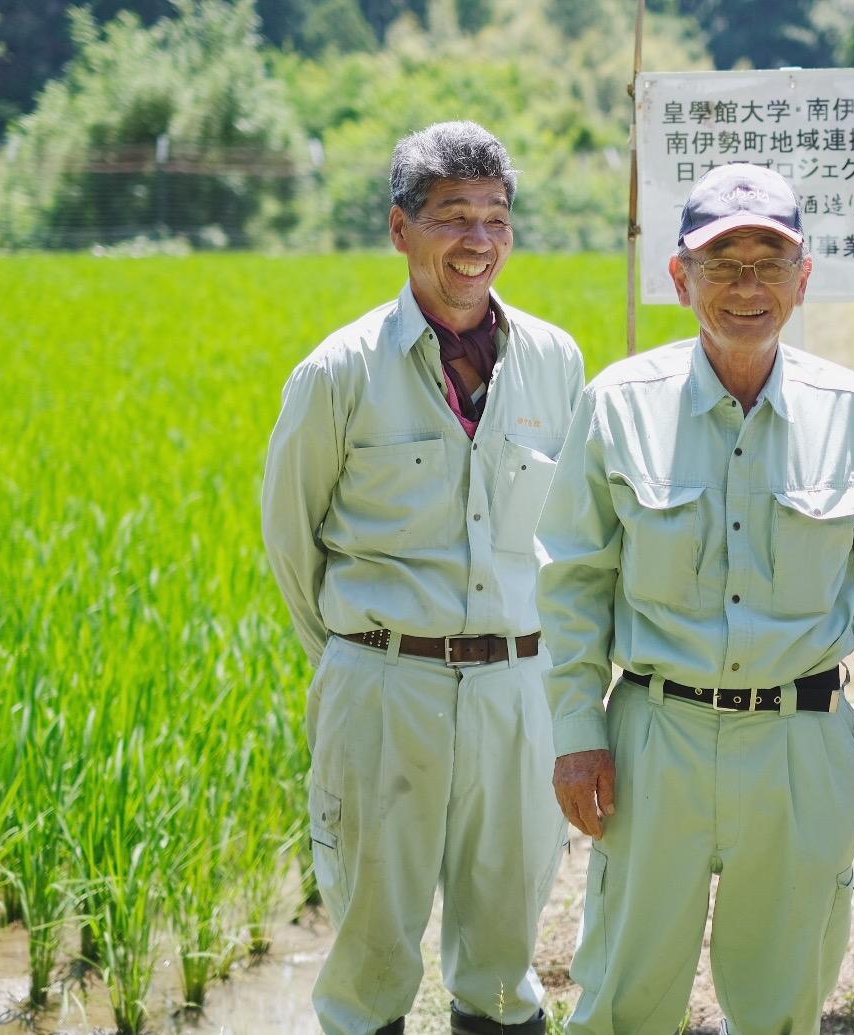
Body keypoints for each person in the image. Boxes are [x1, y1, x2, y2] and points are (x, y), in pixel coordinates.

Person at [535, 162, 854, 1035]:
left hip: (799, 740)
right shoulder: (618, 405)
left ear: (803, 279)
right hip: (655, 737)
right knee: (622, 996)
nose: (746, 287)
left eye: (768, 263)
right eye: (721, 263)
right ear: (680, 278)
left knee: (781, 996)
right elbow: (572, 586)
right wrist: (575, 734)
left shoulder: (853, 413)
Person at [262, 121, 585, 1035]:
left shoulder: (556, 361)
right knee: (370, 956)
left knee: (503, 959)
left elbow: (575, 535)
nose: (478, 240)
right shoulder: (339, 371)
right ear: (400, 229)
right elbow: (292, 541)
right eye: (452, 217)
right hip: (383, 686)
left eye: (495, 216)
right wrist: (364, 661)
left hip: (519, 691)